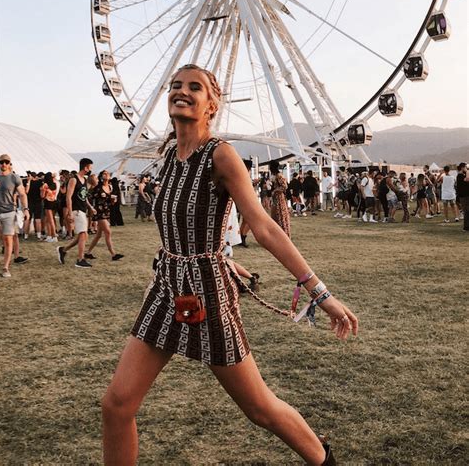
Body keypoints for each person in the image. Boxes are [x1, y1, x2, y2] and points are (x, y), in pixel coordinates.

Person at [102, 64, 358, 466]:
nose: (181, 92)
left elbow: (264, 229)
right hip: (166, 287)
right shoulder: (169, 156)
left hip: (205, 292)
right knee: (116, 405)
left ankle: (323, 459)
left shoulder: (220, 155)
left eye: (194, 87)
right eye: (175, 86)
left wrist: (319, 292)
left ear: (211, 105)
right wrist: (212, 254)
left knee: (258, 408)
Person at [56, 158, 96, 268]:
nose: (91, 169)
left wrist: (90, 207)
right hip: (76, 210)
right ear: (85, 167)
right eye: (90, 167)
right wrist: (69, 213)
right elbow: (68, 197)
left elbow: (84, 197)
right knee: (83, 234)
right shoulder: (74, 180)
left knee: (83, 236)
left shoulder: (84, 180)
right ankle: (80, 259)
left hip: (82, 209)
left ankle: (63, 250)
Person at [0, 154, 29, 277]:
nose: (4, 164)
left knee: (8, 241)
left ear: (10, 163)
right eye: (1, 162)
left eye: (6, 162)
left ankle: (5, 267)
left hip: (9, 213)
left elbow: (23, 194)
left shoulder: (15, 177)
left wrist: (25, 209)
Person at [85, 170, 124, 261]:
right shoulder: (98, 187)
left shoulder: (110, 187)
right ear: (101, 176)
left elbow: (109, 202)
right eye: (104, 173)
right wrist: (91, 207)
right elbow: (87, 196)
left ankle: (88, 253)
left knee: (98, 235)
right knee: (108, 232)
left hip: (106, 212)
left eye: (108, 173)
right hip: (99, 212)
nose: (106, 174)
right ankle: (113, 254)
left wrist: (113, 201)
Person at [269, 160, 291, 238]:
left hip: (279, 198)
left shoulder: (279, 175)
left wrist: (275, 190)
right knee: (275, 215)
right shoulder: (276, 175)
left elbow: (285, 186)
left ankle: (282, 234)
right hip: (276, 198)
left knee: (280, 215)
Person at [41, 172, 58, 242]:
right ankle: (49, 235)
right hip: (54, 201)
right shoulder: (55, 184)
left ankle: (54, 236)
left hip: (48, 202)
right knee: (49, 220)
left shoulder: (45, 185)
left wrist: (42, 190)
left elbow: (42, 196)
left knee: (50, 221)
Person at [456, 163, 469, 231]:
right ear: (462, 167)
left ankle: (466, 227)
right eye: (465, 167)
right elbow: (467, 179)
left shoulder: (462, 175)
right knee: (466, 211)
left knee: (467, 211)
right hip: (464, 196)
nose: (466, 169)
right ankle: (466, 227)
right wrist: (467, 171)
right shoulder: (460, 175)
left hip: (466, 195)